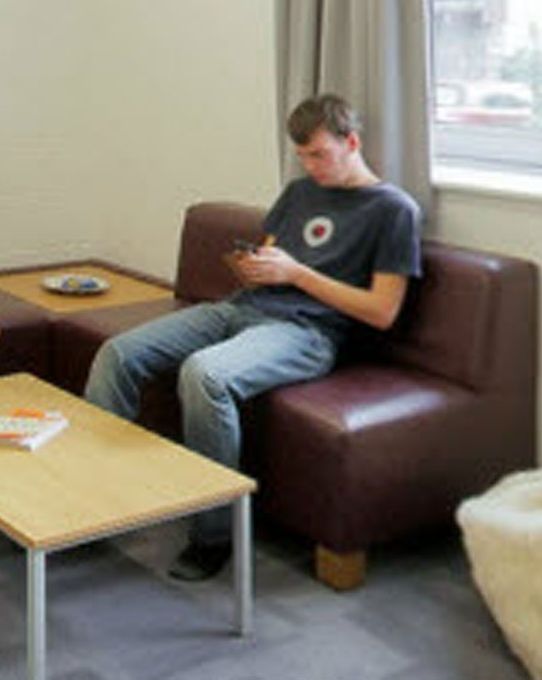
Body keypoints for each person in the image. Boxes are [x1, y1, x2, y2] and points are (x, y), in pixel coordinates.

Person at [84, 94, 422, 581]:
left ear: (352, 142)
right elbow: (268, 265)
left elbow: (383, 311)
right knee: (117, 353)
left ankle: (214, 535)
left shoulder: (393, 210)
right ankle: (88, 501)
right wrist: (254, 269)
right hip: (240, 309)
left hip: (306, 332)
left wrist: (298, 273)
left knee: (205, 376)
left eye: (320, 155)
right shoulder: (299, 193)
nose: (310, 166)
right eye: (302, 156)